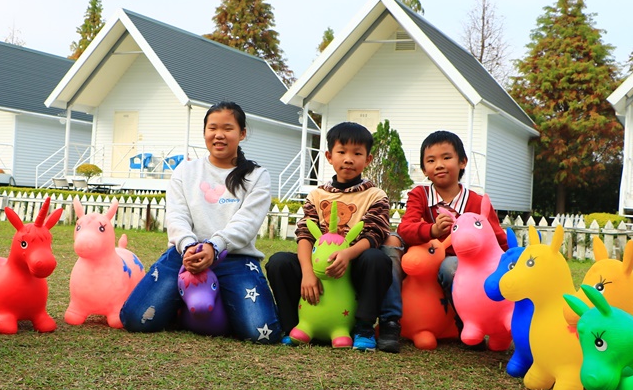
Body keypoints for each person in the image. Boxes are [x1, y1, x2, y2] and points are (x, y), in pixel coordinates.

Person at [120, 102, 282, 343]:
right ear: (205, 132)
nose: (219, 135)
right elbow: (176, 216)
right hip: (185, 255)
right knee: (136, 319)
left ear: (242, 133)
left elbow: (247, 223)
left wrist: (215, 246)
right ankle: (186, 307)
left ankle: (219, 307)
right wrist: (188, 247)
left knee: (261, 333)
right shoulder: (185, 171)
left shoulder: (257, 176)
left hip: (235, 259)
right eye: (212, 128)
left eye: (228, 128)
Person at [266, 122, 396, 352]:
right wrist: (307, 271)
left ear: (368, 159)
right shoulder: (317, 195)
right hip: (317, 269)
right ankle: (292, 327)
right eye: (342, 152)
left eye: (357, 153)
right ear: (328, 156)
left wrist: (347, 254)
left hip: (354, 268)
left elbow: (374, 234)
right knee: (279, 262)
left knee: (377, 259)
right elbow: (305, 234)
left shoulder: (376, 195)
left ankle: (363, 327)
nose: (348, 159)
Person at [380, 130, 508, 329]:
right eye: (431, 161)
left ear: (462, 162)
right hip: (422, 259)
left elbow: (497, 240)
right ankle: (390, 319)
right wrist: (432, 230)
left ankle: (464, 321)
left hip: (459, 264)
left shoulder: (478, 202)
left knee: (451, 267)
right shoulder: (419, 194)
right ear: (424, 169)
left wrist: (511, 260)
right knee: (391, 241)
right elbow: (406, 228)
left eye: (446, 157)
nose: (438, 165)